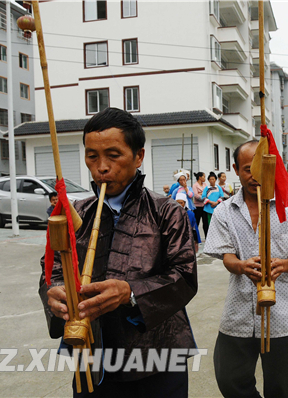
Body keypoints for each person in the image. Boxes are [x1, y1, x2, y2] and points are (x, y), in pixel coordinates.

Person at [39, 108, 198, 397]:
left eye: (113, 155)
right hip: (91, 350)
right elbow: (52, 269)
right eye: (92, 156)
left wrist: (129, 292)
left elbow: (184, 276)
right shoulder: (74, 214)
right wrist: (55, 292)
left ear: (139, 156)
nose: (101, 167)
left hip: (157, 355)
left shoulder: (167, 212)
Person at [204, 140, 288, 398]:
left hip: (285, 313)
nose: (255, 176)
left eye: (261, 169)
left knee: (282, 386)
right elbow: (227, 257)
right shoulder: (225, 210)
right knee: (229, 377)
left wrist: (285, 264)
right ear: (235, 169)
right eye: (247, 169)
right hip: (239, 311)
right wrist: (241, 266)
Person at [201, 171, 224, 237]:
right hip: (208, 208)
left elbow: (222, 197)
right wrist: (211, 202)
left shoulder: (218, 188)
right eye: (210, 179)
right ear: (208, 180)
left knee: (217, 224)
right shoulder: (206, 188)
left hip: (217, 209)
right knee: (208, 224)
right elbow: (203, 197)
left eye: (213, 179)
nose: (212, 180)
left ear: (215, 180)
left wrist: (216, 203)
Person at [192, 172, 208, 236]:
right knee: (196, 222)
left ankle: (207, 237)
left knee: (205, 223)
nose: (205, 178)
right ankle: (195, 237)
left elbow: (208, 193)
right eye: (204, 176)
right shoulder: (195, 185)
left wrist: (201, 194)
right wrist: (204, 195)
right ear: (200, 177)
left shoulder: (205, 185)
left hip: (205, 206)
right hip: (197, 206)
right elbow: (196, 196)